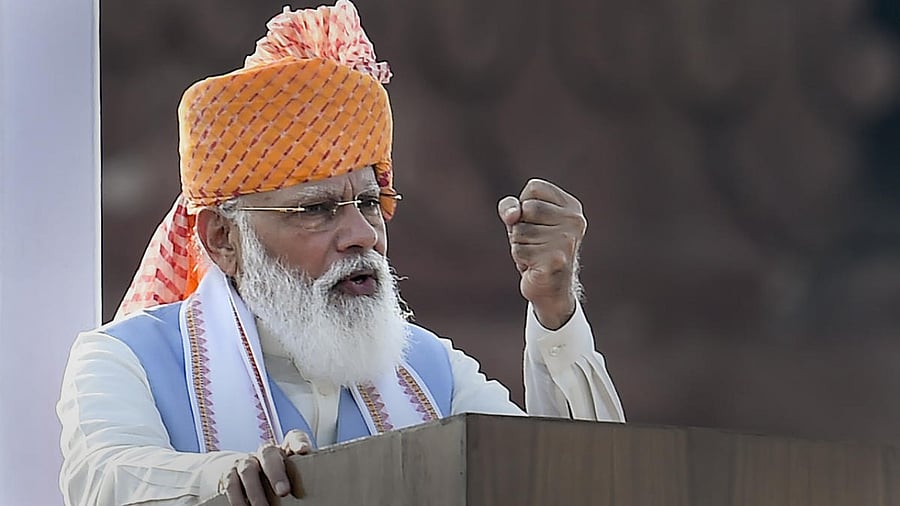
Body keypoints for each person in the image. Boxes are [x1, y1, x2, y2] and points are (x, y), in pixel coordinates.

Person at [57, 2, 625, 505]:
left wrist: (555, 310)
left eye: (370, 202)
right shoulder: (126, 360)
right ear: (223, 240)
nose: (363, 234)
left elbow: (568, 484)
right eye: (316, 209)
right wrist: (227, 479)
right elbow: (106, 478)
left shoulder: (432, 373)